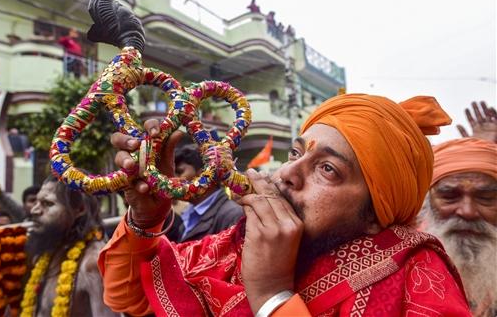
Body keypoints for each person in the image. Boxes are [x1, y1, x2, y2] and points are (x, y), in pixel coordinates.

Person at [99, 94, 472, 316]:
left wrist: (272, 295)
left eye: (327, 169)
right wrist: (147, 219)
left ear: (376, 215)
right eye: (295, 153)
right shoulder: (233, 247)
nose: (289, 172)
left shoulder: (419, 277)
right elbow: (129, 298)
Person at [20, 176, 119, 317]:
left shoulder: (93, 262)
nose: (35, 210)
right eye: (36, 202)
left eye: (47, 204)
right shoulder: (45, 253)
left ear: (79, 209)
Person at [419, 137, 496, 316]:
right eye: (449, 196)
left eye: (485, 198)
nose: (467, 211)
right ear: (427, 202)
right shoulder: (396, 269)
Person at [173, 144, 244, 242]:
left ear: (204, 174)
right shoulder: (187, 213)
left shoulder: (233, 215)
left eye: (180, 172)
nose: (173, 180)